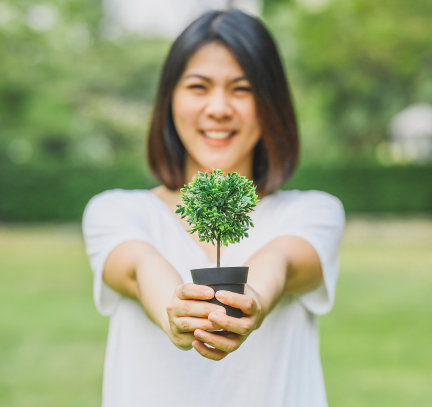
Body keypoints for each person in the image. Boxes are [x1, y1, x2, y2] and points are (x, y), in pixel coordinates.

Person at [81, 8, 345, 407]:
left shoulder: (312, 212)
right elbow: (137, 269)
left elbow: (283, 261)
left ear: (271, 103)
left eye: (242, 89)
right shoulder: (117, 212)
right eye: (198, 87)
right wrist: (176, 310)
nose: (219, 108)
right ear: (170, 99)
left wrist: (251, 298)